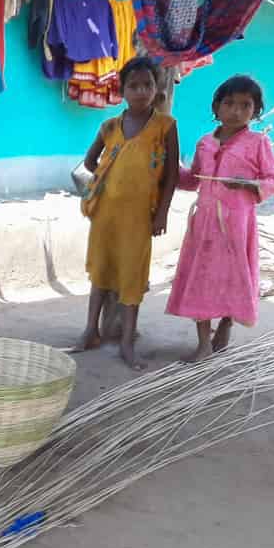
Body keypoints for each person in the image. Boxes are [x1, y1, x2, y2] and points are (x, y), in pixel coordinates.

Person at [74, 57, 180, 370]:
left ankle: (126, 341)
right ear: (122, 90)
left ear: (156, 88)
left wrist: (161, 213)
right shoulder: (109, 126)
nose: (140, 91)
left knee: (132, 277)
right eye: (133, 85)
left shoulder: (165, 126)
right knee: (101, 274)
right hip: (106, 214)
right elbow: (91, 161)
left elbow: (171, 174)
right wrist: (111, 178)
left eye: (147, 84)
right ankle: (90, 330)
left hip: (139, 217)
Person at [166, 76, 274, 361]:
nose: (236, 111)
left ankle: (227, 323)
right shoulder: (205, 143)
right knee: (201, 277)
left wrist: (247, 185)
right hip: (204, 225)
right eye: (229, 103)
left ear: (255, 112)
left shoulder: (258, 143)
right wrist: (167, 169)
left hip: (237, 226)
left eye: (245, 105)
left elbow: (273, 179)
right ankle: (203, 343)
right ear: (216, 107)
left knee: (234, 277)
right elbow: (193, 179)